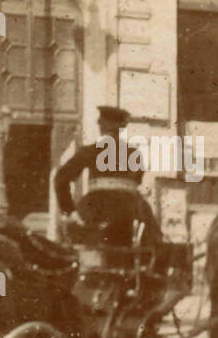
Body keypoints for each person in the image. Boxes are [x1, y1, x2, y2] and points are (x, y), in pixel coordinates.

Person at [53, 105, 161, 255]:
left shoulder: (90, 151)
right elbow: (138, 180)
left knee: (75, 247)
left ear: (101, 125)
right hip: (131, 210)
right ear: (122, 127)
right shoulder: (134, 153)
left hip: (96, 209)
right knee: (148, 243)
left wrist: (69, 211)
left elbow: (61, 178)